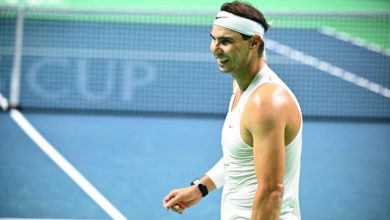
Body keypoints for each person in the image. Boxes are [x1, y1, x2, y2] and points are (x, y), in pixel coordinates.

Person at [162, 1, 303, 219]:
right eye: (213, 39)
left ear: (254, 42)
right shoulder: (241, 85)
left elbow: (271, 192)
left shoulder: (265, 103)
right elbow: (239, 157)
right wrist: (200, 188)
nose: (214, 49)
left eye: (225, 41)